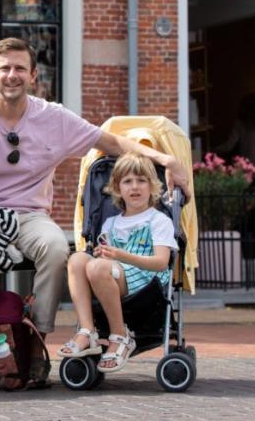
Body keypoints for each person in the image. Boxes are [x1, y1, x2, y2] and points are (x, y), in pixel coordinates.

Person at [0, 37, 190, 390]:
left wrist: (166, 159)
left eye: (19, 68)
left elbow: (111, 143)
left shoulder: (54, 118)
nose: (12, 75)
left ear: (33, 75)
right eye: (4, 69)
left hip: (30, 215)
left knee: (57, 248)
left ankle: (35, 346)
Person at [58, 153, 177, 373]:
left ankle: (120, 334)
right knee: (77, 260)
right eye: (128, 181)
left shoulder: (159, 220)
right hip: (112, 276)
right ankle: (87, 331)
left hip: (147, 280)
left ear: (152, 186)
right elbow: (103, 264)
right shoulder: (110, 223)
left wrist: (119, 256)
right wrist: (102, 255)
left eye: (142, 181)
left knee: (97, 266)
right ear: (117, 188)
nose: (135, 187)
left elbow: (161, 263)